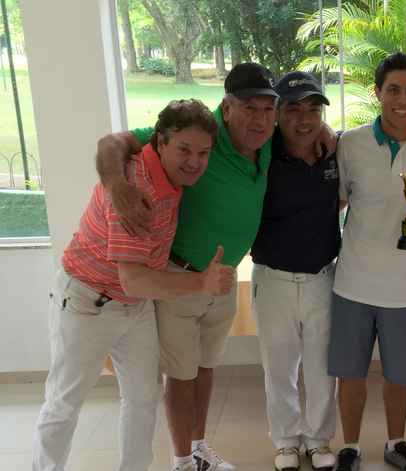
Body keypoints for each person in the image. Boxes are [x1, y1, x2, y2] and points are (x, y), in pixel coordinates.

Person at [95, 63, 335, 471]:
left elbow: (307, 127)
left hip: (221, 278)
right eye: (249, 108)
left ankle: (198, 448)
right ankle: (182, 461)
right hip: (180, 276)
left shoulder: (269, 141)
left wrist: (324, 130)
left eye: (267, 109)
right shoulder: (204, 136)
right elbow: (111, 143)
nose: (259, 119)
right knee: (182, 375)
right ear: (227, 108)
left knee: (205, 368)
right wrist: (116, 184)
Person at [33, 100, 232, 471]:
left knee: (142, 398)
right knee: (64, 402)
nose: (194, 161)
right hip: (87, 301)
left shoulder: (161, 170)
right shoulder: (139, 189)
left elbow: (111, 141)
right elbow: (134, 278)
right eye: (184, 150)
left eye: (203, 153)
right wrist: (201, 282)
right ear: (160, 142)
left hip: (134, 306)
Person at [329, 52, 406, 471]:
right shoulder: (351, 143)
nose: (402, 99)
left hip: (405, 288)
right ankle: (350, 447)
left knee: (400, 375)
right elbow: (337, 200)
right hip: (353, 283)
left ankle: (396, 443)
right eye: (393, 90)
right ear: (378, 93)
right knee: (351, 373)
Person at [250, 71, 340, 471]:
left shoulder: (334, 152)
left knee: (322, 367)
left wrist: (329, 133)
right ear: (277, 114)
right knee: (279, 366)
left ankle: (318, 440)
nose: (305, 119)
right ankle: (286, 441)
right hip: (273, 279)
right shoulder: (261, 152)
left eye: (313, 109)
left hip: (322, 276)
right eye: (293, 109)